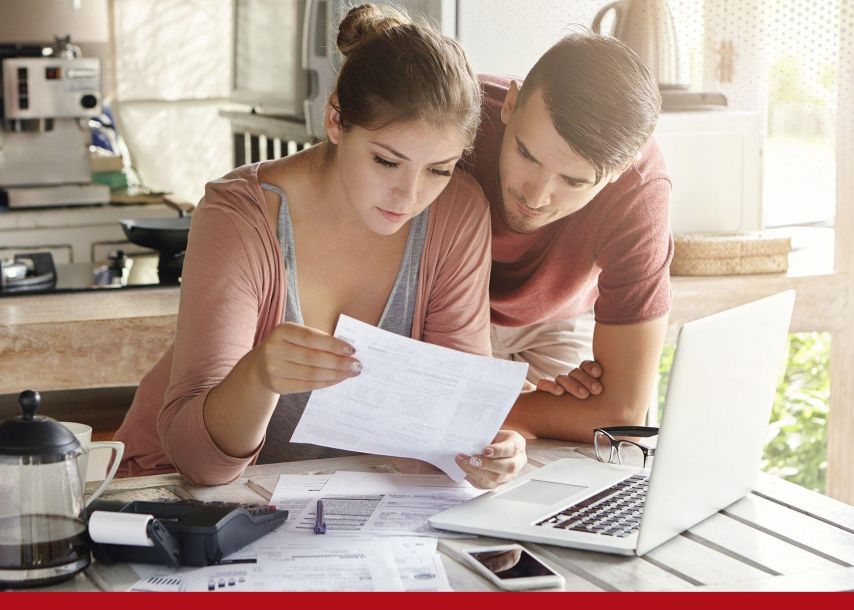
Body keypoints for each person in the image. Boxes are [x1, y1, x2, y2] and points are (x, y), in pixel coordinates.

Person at [114, 4, 526, 488]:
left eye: (438, 169)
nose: (409, 196)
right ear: (335, 120)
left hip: (339, 508)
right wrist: (257, 377)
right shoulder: (239, 216)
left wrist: (488, 450)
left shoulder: (457, 212)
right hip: (181, 498)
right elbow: (199, 465)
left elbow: (449, 422)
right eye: (386, 161)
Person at [465, 33, 673, 441]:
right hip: (441, 311)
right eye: (526, 154)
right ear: (509, 104)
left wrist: (479, 405)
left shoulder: (641, 190)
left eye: (573, 181)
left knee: (575, 466)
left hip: (556, 319)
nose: (535, 196)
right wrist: (514, 407)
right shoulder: (455, 114)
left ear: (619, 171)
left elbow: (623, 415)